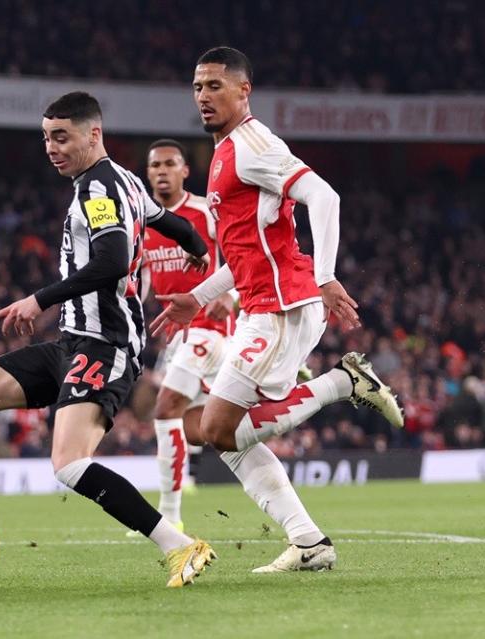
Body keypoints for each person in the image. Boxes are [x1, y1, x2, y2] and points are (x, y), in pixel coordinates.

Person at [0, 91, 216, 588]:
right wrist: (196, 247)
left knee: (68, 465)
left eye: (62, 137)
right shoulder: (125, 180)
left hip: (105, 344)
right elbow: (166, 221)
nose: (51, 147)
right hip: (72, 342)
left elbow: (112, 259)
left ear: (95, 134)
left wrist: (38, 300)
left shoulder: (99, 189)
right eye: (46, 137)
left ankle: (181, 545)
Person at [151, 47, 404, 572]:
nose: (203, 96)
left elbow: (325, 197)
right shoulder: (222, 154)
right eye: (197, 86)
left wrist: (326, 275)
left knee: (215, 429)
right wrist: (194, 298)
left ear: (244, 90)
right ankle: (309, 542)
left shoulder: (253, 144)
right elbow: (241, 256)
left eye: (215, 85)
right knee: (221, 435)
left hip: (283, 305)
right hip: (261, 305)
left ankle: (341, 384)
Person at [131, 138, 235, 533]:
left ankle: (169, 517)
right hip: (178, 337)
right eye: (155, 165)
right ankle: (293, 387)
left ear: (184, 171)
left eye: (170, 163)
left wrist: (234, 295)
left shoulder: (205, 212)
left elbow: (244, 256)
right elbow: (141, 281)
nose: (161, 171)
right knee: (201, 425)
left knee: (166, 406)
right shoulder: (143, 223)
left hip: (211, 327)